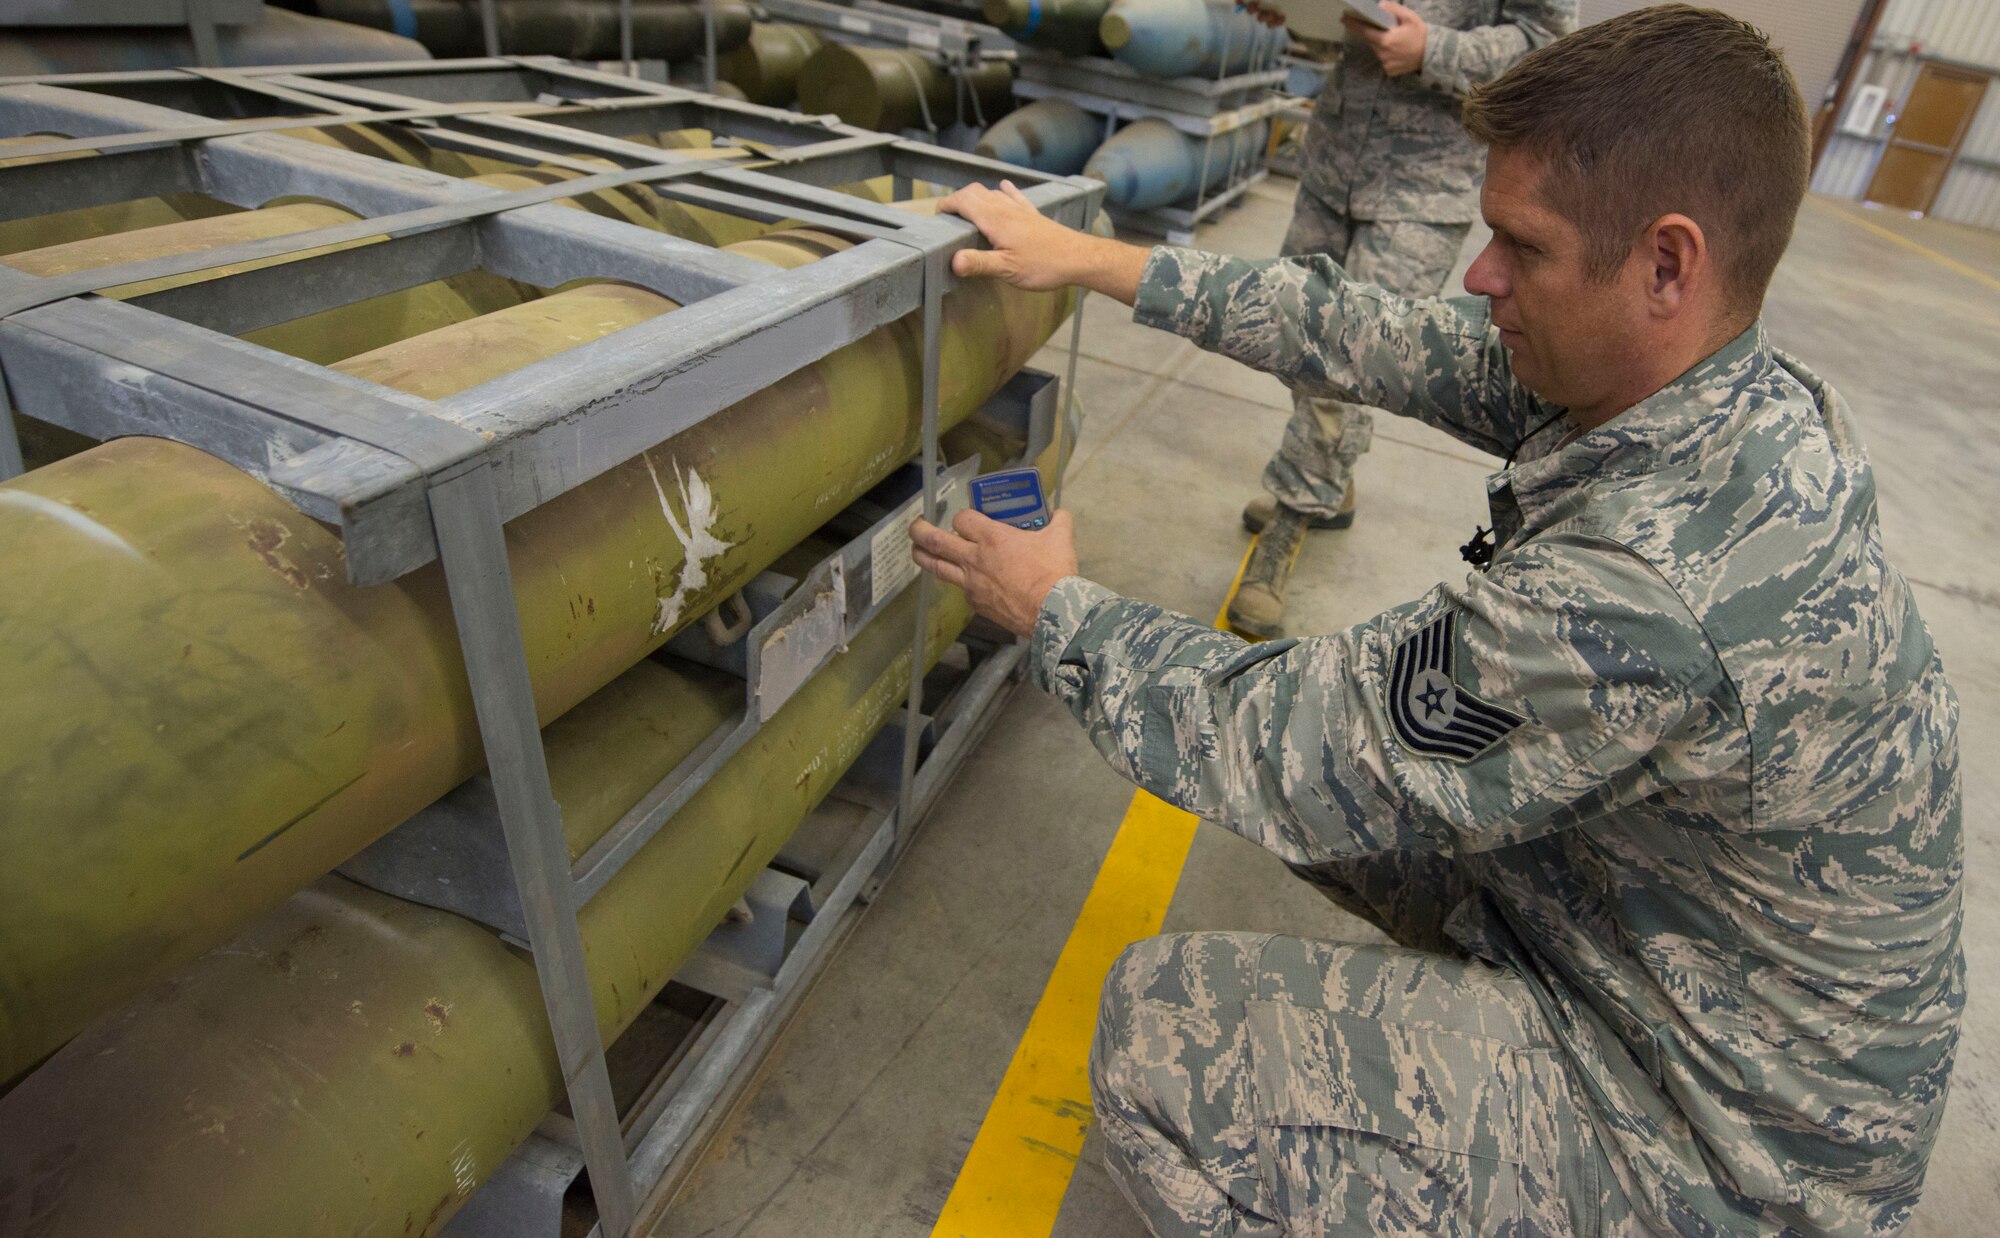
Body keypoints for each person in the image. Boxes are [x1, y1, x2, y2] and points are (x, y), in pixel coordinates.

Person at [912, 7, 1964, 1236]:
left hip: (1726, 1148)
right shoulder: (1697, 385)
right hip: (1673, 969)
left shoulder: (1653, 579)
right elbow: (1373, 331)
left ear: (1664, 265)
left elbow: (1295, 747)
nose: (1479, 275)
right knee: (1382, 824)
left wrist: (1050, 610)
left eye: (1519, 245)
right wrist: (1087, 258)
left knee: (1171, 1029)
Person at [1230, 0, 1575, 639]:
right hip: (1334, 156)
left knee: (1350, 352)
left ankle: (1293, 513)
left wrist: (1433, 50)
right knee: (1290, 332)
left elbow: (1546, 44)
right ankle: (1329, 478)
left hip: (1420, 182)